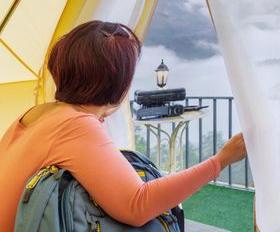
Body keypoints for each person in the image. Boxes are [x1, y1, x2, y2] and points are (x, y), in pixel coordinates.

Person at [0, 20, 247, 231]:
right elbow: (138, 204)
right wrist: (221, 160)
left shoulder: (37, 113)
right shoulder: (75, 125)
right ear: (116, 84)